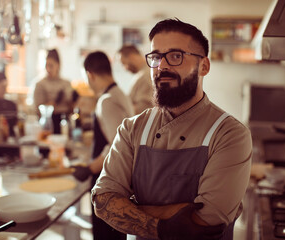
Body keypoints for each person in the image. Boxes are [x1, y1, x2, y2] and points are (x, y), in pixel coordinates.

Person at [91, 18, 252, 240]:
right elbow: (103, 202)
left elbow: (209, 219)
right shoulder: (131, 129)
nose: (162, 66)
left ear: (203, 66)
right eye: (156, 57)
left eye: (176, 56)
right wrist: (163, 227)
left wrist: (132, 207)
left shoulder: (230, 134)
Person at [72, 51, 134, 240]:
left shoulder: (106, 101)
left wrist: (89, 168)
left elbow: (116, 147)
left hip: (108, 183)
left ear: (90, 74)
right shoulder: (119, 94)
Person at [33, 49, 77, 134]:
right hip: (48, 123)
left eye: (51, 66)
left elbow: (72, 108)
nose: (48, 69)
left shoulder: (66, 83)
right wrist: (55, 101)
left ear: (58, 65)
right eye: (46, 65)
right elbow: (38, 110)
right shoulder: (40, 84)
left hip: (65, 123)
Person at [118, 45, 154, 114]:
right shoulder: (142, 74)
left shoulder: (145, 76)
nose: (125, 68)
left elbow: (143, 108)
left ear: (132, 57)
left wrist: (120, 109)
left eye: (124, 63)